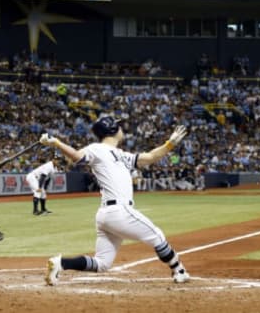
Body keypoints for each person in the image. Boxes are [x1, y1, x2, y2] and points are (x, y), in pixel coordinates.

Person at [39, 116, 190, 285]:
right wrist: (57, 143)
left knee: (102, 263)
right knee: (157, 236)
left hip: (106, 215)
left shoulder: (120, 154)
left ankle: (60, 263)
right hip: (119, 211)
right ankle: (179, 270)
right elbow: (77, 157)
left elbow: (149, 158)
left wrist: (170, 143)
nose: (121, 128)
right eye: (118, 126)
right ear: (111, 130)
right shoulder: (97, 148)